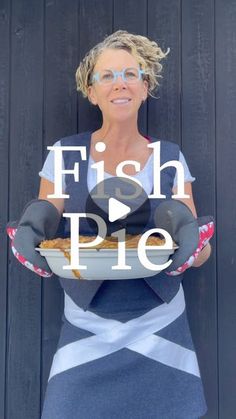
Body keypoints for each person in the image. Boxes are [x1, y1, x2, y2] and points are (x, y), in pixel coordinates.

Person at [7, 30, 214, 418]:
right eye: (107, 76)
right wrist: (32, 230)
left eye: (130, 73)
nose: (120, 83)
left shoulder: (170, 157)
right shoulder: (64, 153)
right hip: (87, 321)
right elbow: (47, 218)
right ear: (91, 90)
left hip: (161, 322)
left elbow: (199, 246)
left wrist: (193, 248)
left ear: (145, 85)